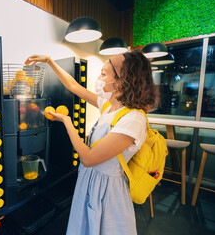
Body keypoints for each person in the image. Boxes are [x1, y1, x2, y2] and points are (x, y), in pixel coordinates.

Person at [24, 51, 158, 235]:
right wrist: (49, 61)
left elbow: (88, 158)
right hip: (89, 180)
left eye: (104, 74)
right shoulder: (109, 106)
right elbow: (73, 86)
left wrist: (67, 122)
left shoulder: (133, 119)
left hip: (107, 189)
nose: (98, 78)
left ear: (123, 81)